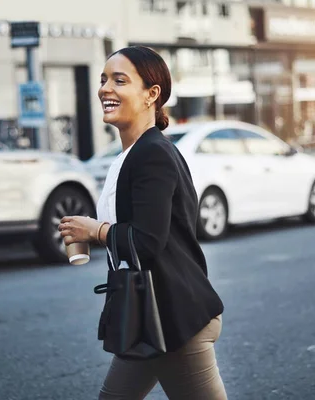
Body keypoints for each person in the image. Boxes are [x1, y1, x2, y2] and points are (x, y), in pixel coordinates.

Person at [57, 46, 227, 400]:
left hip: (174, 318)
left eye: (120, 80)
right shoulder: (133, 154)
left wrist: (95, 230)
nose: (105, 89)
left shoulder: (152, 153)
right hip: (146, 313)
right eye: (103, 79)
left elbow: (148, 242)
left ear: (152, 94)